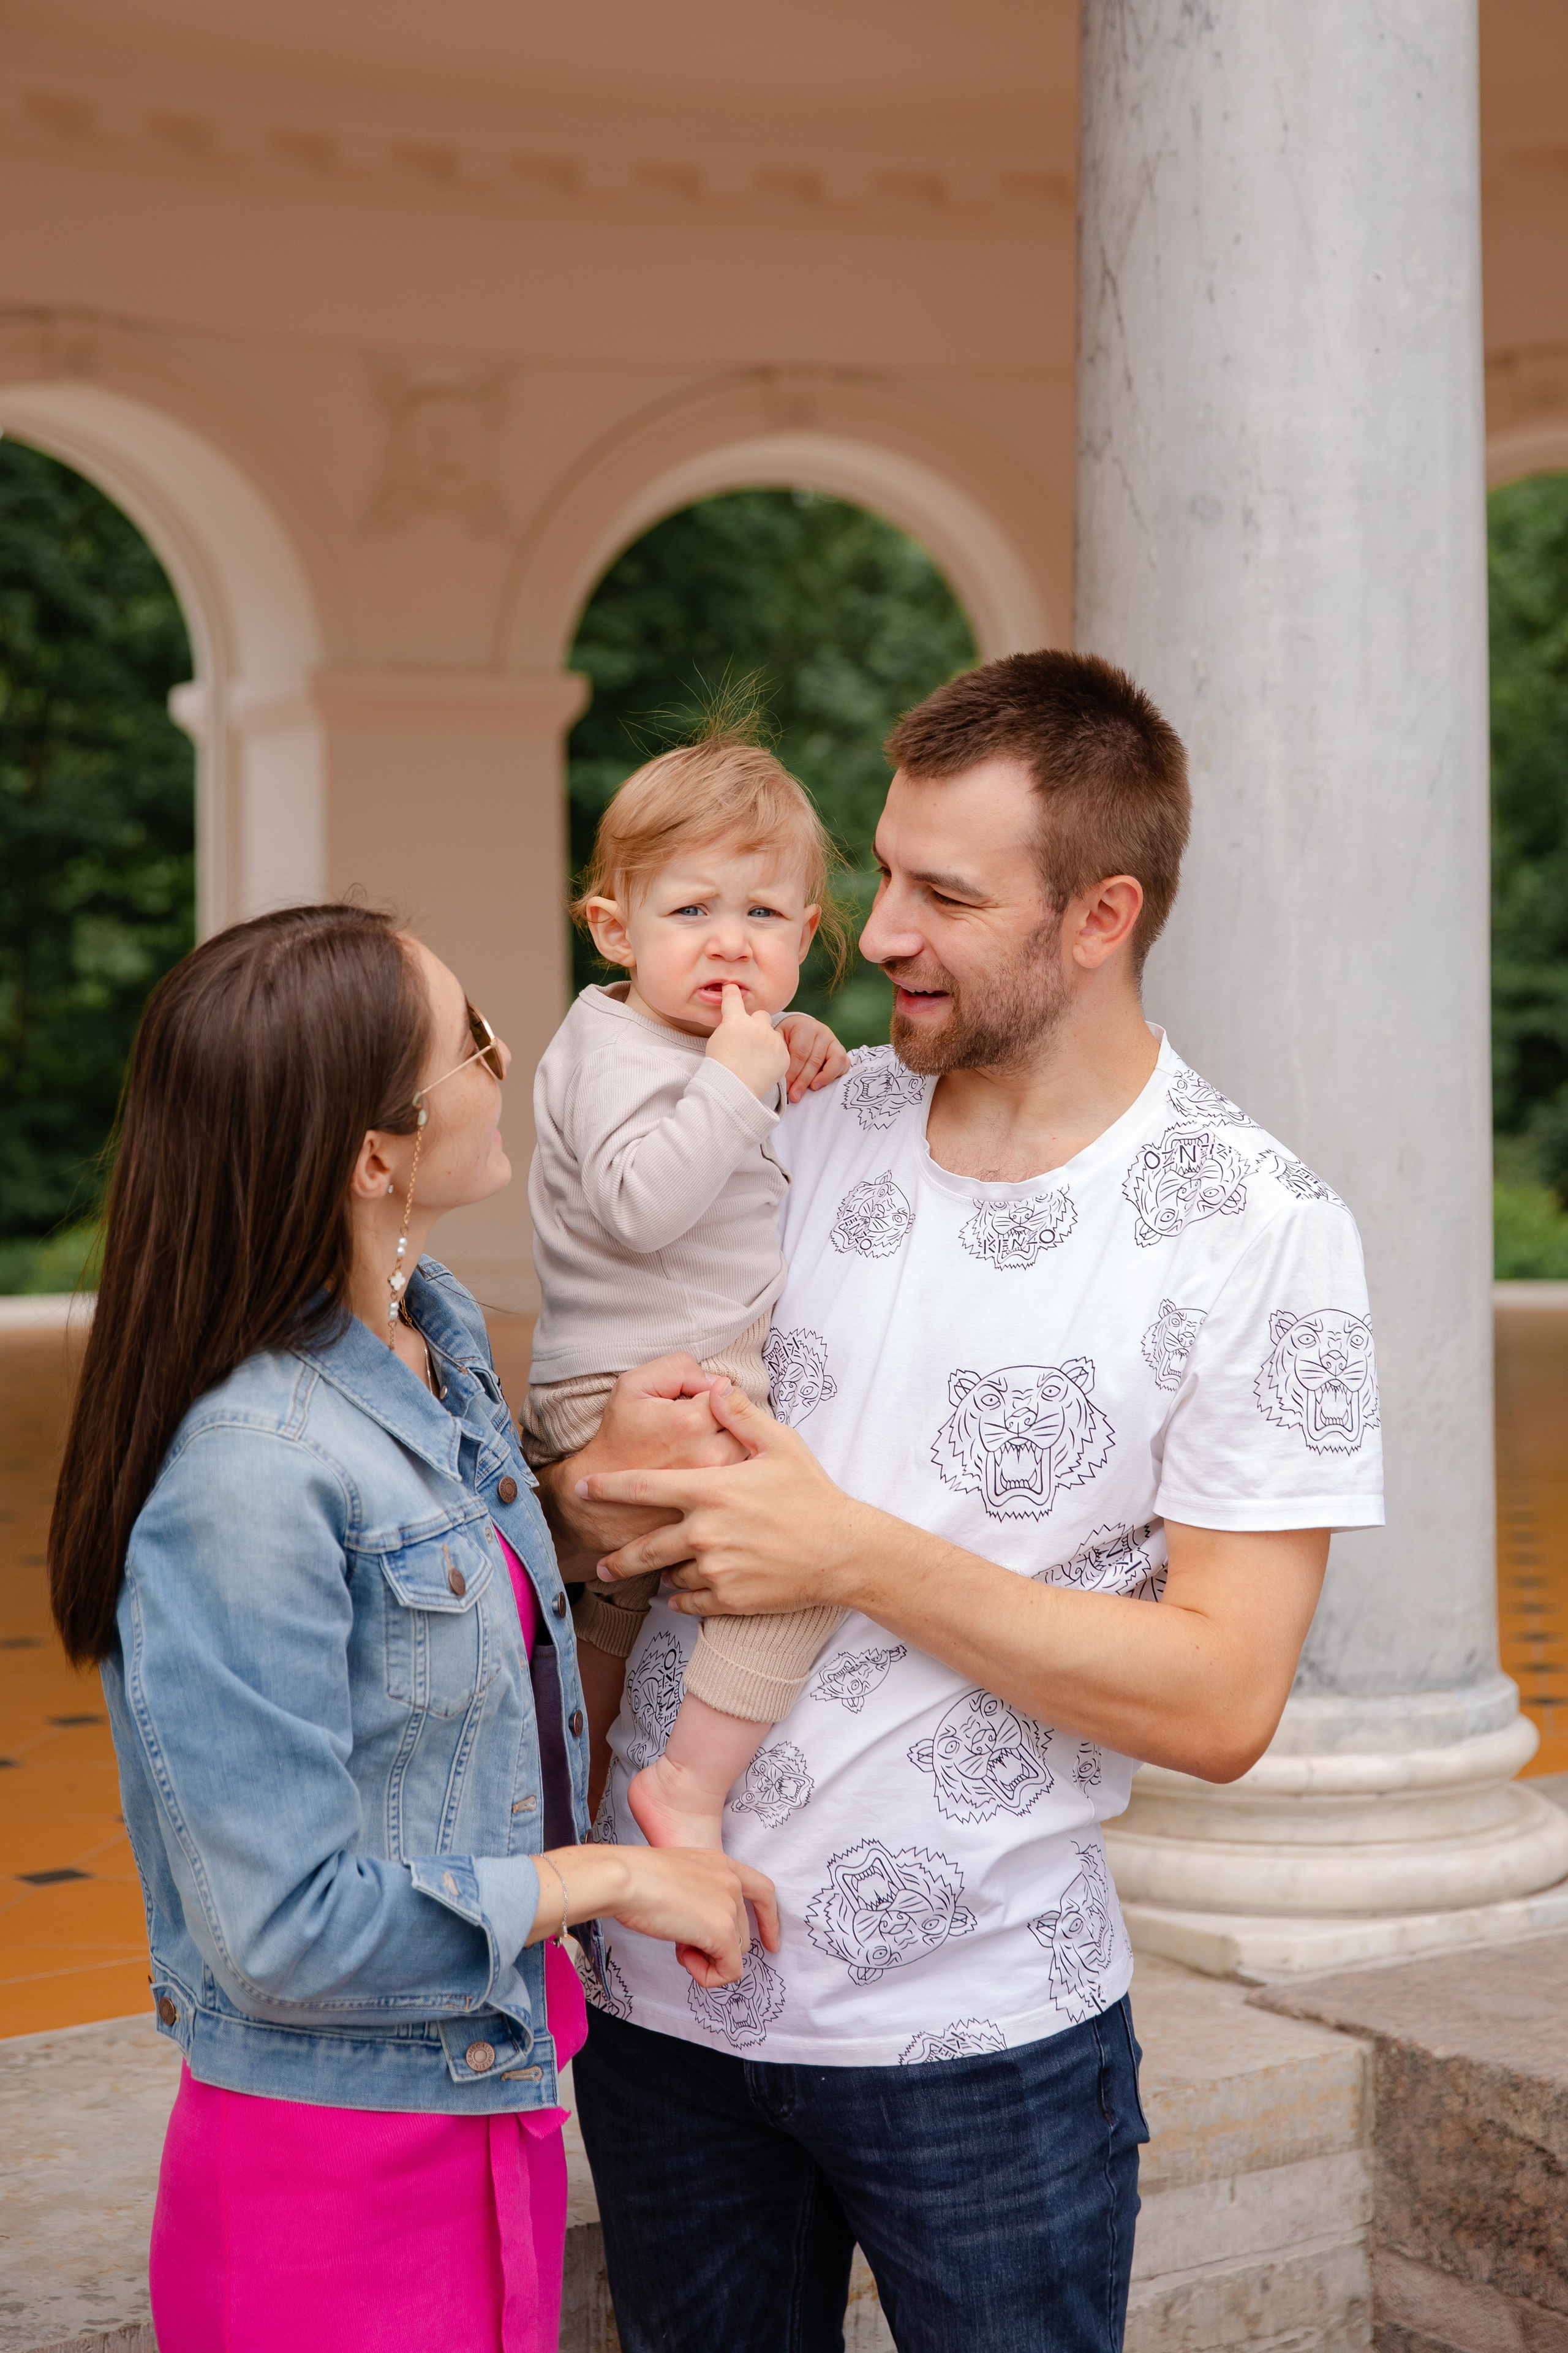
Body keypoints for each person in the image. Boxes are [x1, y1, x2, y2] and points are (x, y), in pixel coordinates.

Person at [542, 651, 1385, 2353]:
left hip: (982, 2044)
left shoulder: (1257, 1229)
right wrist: (584, 1483)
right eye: (884, 873)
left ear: (1099, 916)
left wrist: (853, 1553)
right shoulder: (804, 1109)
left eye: (944, 894)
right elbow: (601, 1474)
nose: (883, 932)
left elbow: (1223, 1700)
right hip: (663, 2005)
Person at [48, 904, 776, 2353]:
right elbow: (278, 1929)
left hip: (481, 2099)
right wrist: (608, 1877)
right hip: (330, 2170)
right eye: (474, 1043)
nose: (506, 1062)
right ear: (376, 1155)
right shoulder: (247, 1468)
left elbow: (419, 1623)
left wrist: (571, 1488)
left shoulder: (423, 1336)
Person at [522, 734, 851, 1849]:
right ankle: (690, 1788)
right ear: (615, 929)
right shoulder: (613, 1049)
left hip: (651, 1386)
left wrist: (776, 1050)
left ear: (806, 935)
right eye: (691, 911)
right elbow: (641, 1203)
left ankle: (564, 1823)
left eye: (764, 916)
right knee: (810, 1559)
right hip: (631, 1394)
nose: (730, 941)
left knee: (603, 1629)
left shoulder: (707, 1041)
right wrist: (736, 1075)